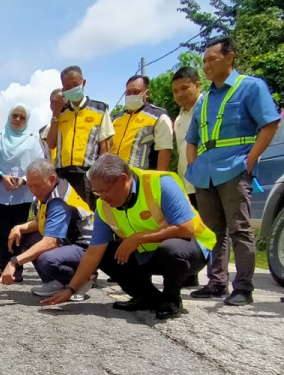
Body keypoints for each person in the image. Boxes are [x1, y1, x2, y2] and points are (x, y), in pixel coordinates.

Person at [42, 154, 216, 320]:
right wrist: (71, 290)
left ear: (123, 179)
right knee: (107, 252)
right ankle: (147, 297)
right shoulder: (104, 206)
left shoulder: (161, 184)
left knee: (170, 250)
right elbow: (93, 253)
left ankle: (171, 301)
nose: (102, 198)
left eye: (105, 191)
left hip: (190, 250)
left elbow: (186, 229)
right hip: (150, 253)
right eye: (97, 193)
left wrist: (139, 238)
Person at [186, 37, 280, 306]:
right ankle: (216, 282)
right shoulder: (203, 100)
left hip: (235, 167)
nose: (205, 66)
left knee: (239, 229)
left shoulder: (249, 87)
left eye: (211, 59)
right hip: (205, 173)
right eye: (203, 61)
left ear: (230, 58)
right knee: (212, 231)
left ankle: (243, 286)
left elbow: (270, 123)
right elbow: (191, 138)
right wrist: (193, 166)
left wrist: (251, 159)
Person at [0, 159, 94, 301]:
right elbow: (41, 222)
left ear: (52, 179)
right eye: (30, 186)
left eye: (37, 186)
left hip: (86, 248)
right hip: (69, 243)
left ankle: (79, 281)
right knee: (25, 236)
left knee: (47, 258)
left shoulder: (58, 200)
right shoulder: (46, 192)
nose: (33, 191)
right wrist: (19, 228)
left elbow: (50, 242)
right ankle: (57, 283)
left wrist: (14, 262)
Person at [0, 104, 43, 282]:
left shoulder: (33, 140)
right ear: (9, 117)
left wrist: (24, 179)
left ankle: (16, 268)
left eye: (22, 117)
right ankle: (4, 267)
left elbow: (39, 164)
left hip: (23, 193)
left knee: (19, 232)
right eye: (15, 116)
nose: (18, 120)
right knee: (2, 232)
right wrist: (2, 176)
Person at [46, 66, 114, 210]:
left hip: (87, 175)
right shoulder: (60, 112)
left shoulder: (99, 109)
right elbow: (51, 143)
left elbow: (105, 147)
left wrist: (101, 177)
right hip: (63, 174)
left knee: (89, 215)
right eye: (67, 86)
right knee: (65, 215)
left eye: (75, 85)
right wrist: (56, 114)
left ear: (83, 83)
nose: (72, 89)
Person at [172, 67, 204, 288]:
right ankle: (191, 273)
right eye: (175, 91)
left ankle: (218, 279)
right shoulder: (179, 118)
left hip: (205, 179)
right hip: (186, 182)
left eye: (184, 88)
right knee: (189, 228)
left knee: (209, 229)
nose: (180, 94)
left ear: (197, 85)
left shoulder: (206, 107)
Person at [112, 75, 173, 171]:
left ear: (146, 93)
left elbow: (164, 150)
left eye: (136, 92)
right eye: (128, 93)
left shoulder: (159, 117)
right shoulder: (116, 119)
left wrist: (160, 178)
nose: (132, 95)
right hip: (115, 176)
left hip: (141, 178)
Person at [39, 89, 62, 164]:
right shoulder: (43, 132)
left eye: (60, 101)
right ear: (50, 106)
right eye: (54, 103)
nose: (57, 105)